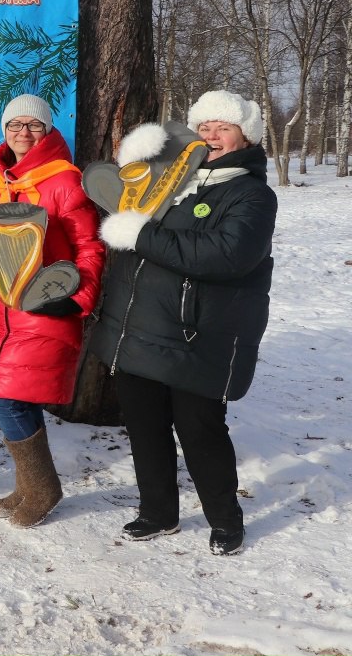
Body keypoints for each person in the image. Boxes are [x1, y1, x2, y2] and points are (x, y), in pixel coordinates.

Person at [91, 90, 275, 556]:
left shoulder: (251, 193)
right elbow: (121, 195)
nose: (211, 135)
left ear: (246, 136)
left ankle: (224, 518)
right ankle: (158, 511)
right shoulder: (172, 181)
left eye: (224, 127)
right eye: (204, 126)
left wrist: (142, 233)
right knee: (145, 426)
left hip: (196, 336)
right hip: (141, 328)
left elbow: (227, 255)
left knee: (200, 432)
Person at [0, 94, 104, 528]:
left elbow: (89, 247)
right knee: (0, 395)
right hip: (6, 309)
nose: (23, 133)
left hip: (46, 304)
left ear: (48, 131)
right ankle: (29, 484)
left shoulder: (65, 180)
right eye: (15, 126)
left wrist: (78, 297)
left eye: (33, 126)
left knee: (7, 399)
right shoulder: (3, 180)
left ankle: (43, 486)